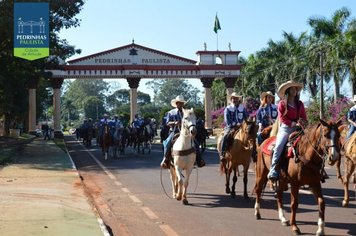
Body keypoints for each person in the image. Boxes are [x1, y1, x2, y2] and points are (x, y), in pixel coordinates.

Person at [267, 80, 307, 181]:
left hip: (299, 129)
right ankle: (273, 169)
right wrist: (293, 123)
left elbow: (303, 116)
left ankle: (317, 170)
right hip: (286, 129)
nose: (295, 91)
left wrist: (303, 122)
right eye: (292, 89)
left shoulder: (300, 104)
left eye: (295, 89)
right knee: (279, 146)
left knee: (311, 143)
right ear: (288, 91)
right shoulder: (282, 104)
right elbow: (282, 118)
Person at [160, 95, 205, 169]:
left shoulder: (187, 112)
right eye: (179, 103)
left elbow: (191, 120)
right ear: (176, 103)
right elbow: (167, 123)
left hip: (186, 133)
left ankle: (199, 160)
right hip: (174, 131)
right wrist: (174, 123)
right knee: (167, 143)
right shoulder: (171, 112)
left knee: (196, 144)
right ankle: (165, 159)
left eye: (181, 103)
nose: (180, 104)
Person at [220, 92, 248, 161]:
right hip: (231, 127)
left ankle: (253, 153)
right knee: (226, 136)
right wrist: (235, 124)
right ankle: (222, 153)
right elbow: (227, 121)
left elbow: (246, 118)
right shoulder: (228, 109)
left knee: (250, 136)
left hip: (241, 127)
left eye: (236, 98)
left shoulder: (242, 108)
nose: (234, 100)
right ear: (231, 99)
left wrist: (246, 123)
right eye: (233, 98)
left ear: (238, 99)